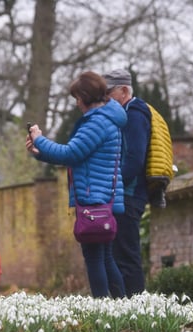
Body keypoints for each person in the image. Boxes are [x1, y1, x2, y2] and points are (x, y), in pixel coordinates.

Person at [26, 71, 126, 298]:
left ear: (85, 95)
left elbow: (70, 153)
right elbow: (78, 155)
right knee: (106, 257)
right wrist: (39, 153)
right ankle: (123, 306)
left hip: (94, 199)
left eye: (77, 98)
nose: (77, 103)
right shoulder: (108, 119)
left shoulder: (97, 123)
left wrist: (39, 138)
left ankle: (103, 309)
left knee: (94, 258)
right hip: (105, 199)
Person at [103, 68, 151, 297]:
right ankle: (123, 305)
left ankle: (136, 307)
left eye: (108, 93)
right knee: (117, 254)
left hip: (129, 195)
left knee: (127, 256)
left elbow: (134, 159)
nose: (105, 99)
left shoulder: (134, 114)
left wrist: (113, 186)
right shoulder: (125, 114)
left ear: (123, 90)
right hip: (124, 194)